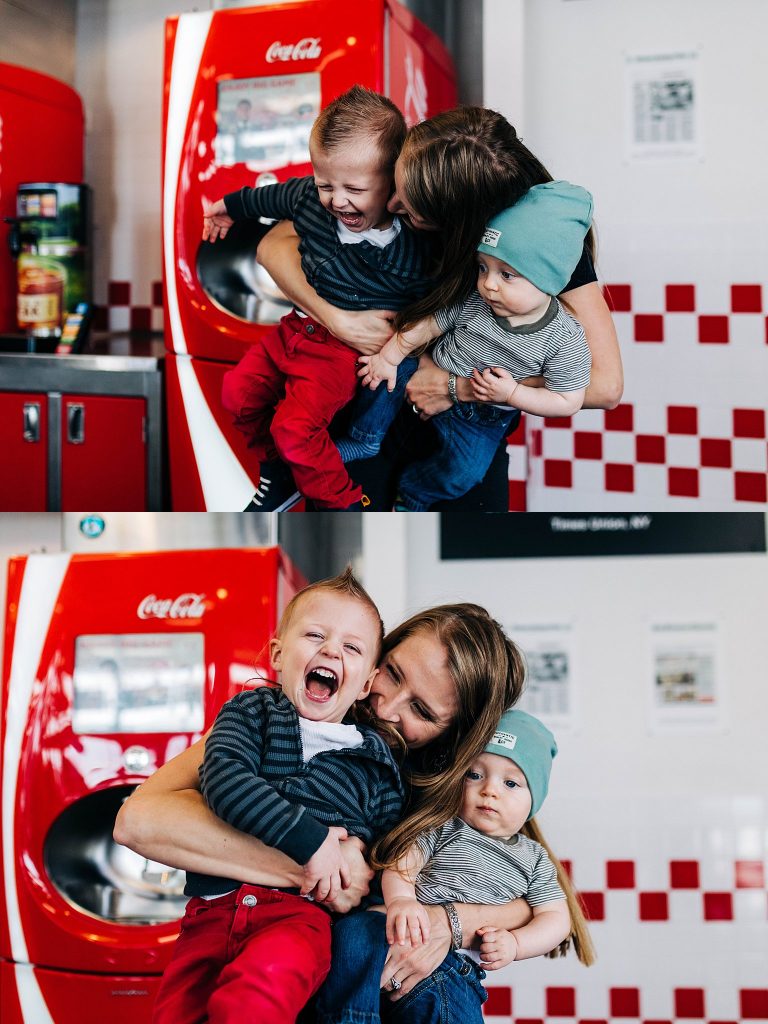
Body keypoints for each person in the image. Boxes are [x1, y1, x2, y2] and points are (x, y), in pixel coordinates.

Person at [114, 600, 587, 1015]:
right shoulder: (288, 717)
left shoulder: (461, 797)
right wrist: (321, 864)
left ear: (456, 737)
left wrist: (450, 923)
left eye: (422, 712)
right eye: (393, 673)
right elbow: (139, 820)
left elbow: (539, 906)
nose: (387, 708)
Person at [255, 105, 624, 510]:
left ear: (459, 224)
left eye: (411, 209)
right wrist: (338, 321)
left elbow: (604, 386)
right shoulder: (426, 166)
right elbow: (273, 246)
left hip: (465, 435)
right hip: (372, 410)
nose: (391, 205)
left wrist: (458, 386)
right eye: (394, 186)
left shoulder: (536, 245)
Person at [150, 569, 404, 1023]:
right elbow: (225, 781)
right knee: (175, 1013)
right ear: (278, 655)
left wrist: (373, 875)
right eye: (315, 635)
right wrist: (315, 842)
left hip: (299, 919)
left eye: (352, 647)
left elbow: (391, 851)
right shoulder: (250, 713)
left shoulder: (376, 762)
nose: (330, 650)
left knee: (257, 997)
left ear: (366, 684)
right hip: (210, 914)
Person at [203, 85, 437, 511]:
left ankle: (345, 503)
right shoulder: (310, 199)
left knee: (295, 429)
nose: (337, 200)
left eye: (354, 188)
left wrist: (405, 342)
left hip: (339, 354)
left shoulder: (408, 248)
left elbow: (440, 300)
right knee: (236, 394)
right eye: (325, 183)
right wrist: (227, 207)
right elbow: (268, 196)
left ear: (393, 181)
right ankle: (279, 471)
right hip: (295, 327)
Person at [335, 181, 592, 510]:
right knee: (383, 374)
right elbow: (432, 323)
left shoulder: (564, 338)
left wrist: (513, 394)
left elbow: (567, 399)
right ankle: (365, 439)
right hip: (431, 370)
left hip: (482, 419)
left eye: (507, 275)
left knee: (465, 473)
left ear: (550, 279)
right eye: (483, 267)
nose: (488, 284)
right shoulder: (476, 300)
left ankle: (414, 493)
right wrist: (391, 355)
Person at [314, 709, 581, 1024]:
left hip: (453, 969)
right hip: (392, 934)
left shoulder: (534, 858)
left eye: (510, 783)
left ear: (534, 799)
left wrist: (516, 943)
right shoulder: (444, 827)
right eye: (475, 774)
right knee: (354, 933)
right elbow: (404, 861)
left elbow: (556, 918)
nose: (490, 790)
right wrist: (402, 900)